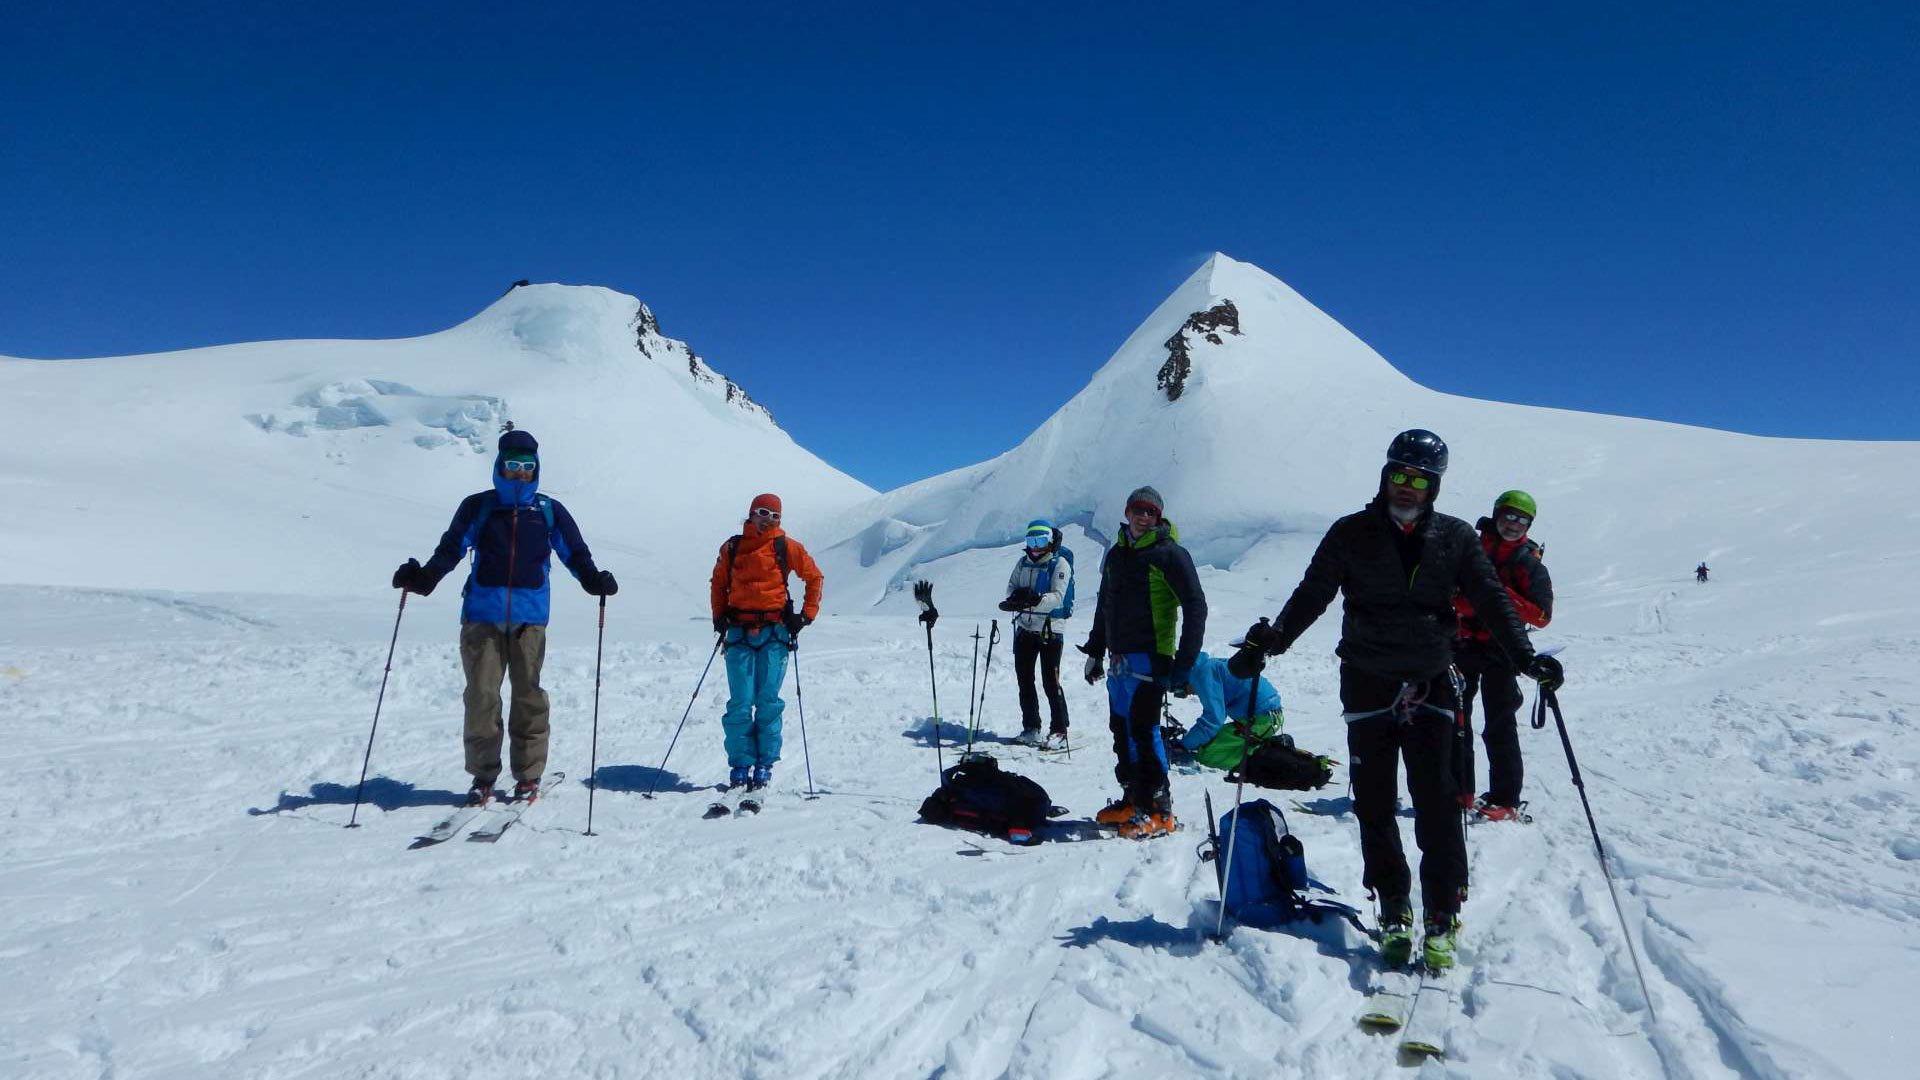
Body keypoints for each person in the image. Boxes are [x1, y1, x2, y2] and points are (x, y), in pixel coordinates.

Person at [1235, 430, 1562, 971]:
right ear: (1386, 476)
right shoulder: (1351, 533)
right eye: (1400, 476)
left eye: (1420, 480)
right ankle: (1392, 905)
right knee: (1374, 802)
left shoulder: (1456, 538)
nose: (1407, 487)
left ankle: (1441, 910)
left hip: (1433, 679)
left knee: (1438, 800)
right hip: (1366, 680)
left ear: (1434, 486)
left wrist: (1527, 659)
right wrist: (1270, 644)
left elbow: (1492, 601)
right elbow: (1312, 594)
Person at [393, 428, 618, 807]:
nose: (519, 473)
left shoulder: (548, 511)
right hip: (482, 616)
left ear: (536, 469)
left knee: (529, 697)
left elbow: (575, 553)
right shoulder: (478, 507)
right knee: (481, 698)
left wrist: (593, 580)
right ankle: (483, 777)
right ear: (499, 466)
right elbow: (451, 548)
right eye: (512, 465)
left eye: (526, 466)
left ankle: (528, 776)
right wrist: (425, 579)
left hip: (530, 620)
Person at [1079, 486, 1208, 839]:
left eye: (1150, 511)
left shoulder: (1170, 555)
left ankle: (1159, 808)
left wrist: (1183, 664)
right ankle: (1133, 799)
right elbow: (1105, 605)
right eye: (1138, 509)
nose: (1143, 516)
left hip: (1153, 658)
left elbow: (1196, 606)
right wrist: (1095, 651)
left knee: (1144, 731)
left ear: (1159, 517)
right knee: (1121, 730)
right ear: (1127, 511)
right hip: (1119, 658)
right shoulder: (1117, 555)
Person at [709, 494, 824, 792]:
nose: (769, 519)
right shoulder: (732, 547)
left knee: (768, 701)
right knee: (740, 703)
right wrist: (719, 616)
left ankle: (764, 764)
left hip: (775, 633)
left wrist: (806, 615)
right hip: (738, 633)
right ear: (751, 513)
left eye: (775, 516)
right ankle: (740, 764)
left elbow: (814, 577)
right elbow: (719, 583)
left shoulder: (786, 547)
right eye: (763, 513)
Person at [1452, 490, 1553, 821]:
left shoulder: (1529, 563)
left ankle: (1505, 800)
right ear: (1496, 515)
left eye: (1521, 520)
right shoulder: (1470, 549)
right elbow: (1448, 593)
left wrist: (1499, 596)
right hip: (1462, 644)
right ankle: (1459, 792)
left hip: (1502, 649)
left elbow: (1541, 616)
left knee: (1499, 725)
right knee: (1455, 720)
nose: (1513, 524)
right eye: (1508, 516)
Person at [997, 519, 1073, 749]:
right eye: (1031, 540)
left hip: (1050, 630)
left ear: (1049, 541)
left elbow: (1058, 596)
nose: (1035, 546)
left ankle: (1059, 730)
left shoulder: (1059, 564)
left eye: (1040, 540)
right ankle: (1031, 727)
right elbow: (1011, 586)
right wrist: (1017, 599)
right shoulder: (1023, 563)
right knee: (1025, 680)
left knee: (1051, 682)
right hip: (1025, 628)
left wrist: (1036, 600)